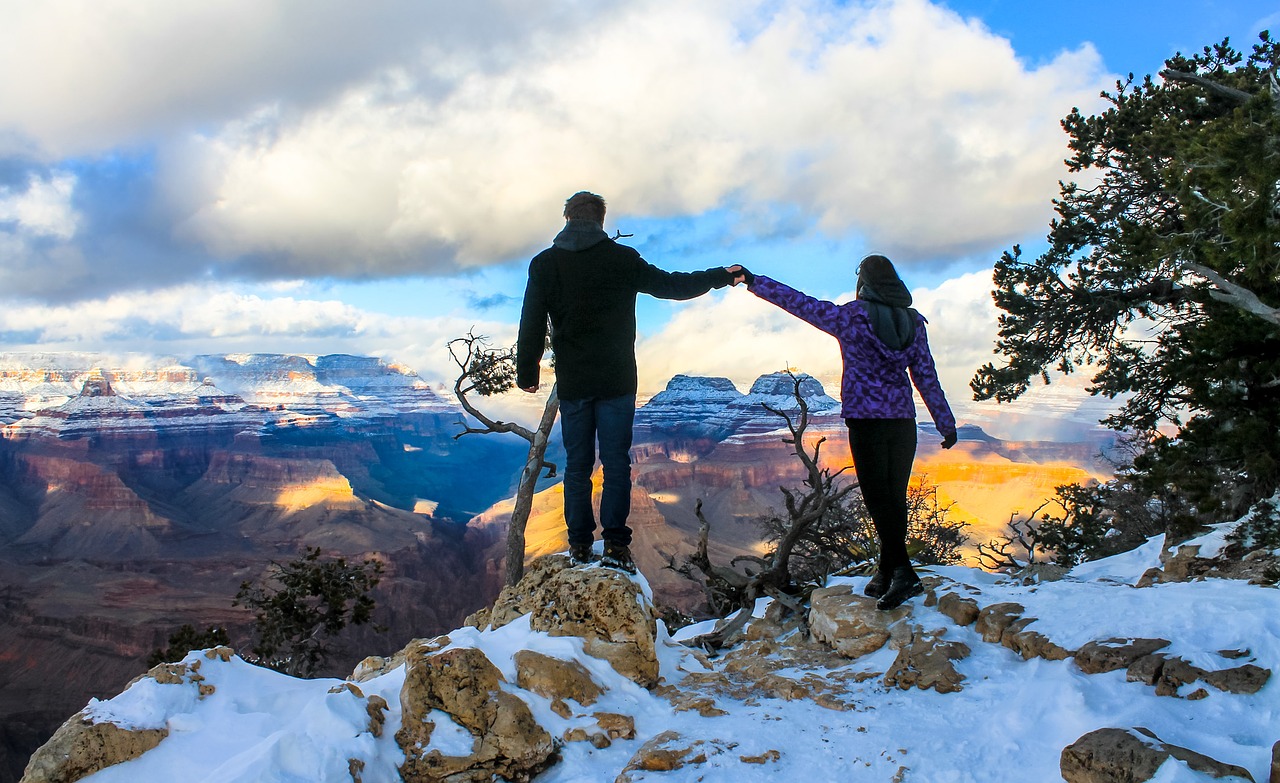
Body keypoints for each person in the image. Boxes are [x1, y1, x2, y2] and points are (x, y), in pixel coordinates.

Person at [517, 191, 737, 574]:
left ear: (567, 218)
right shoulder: (621, 258)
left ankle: (580, 547)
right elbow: (673, 285)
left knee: (577, 466)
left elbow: (531, 321)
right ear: (601, 220)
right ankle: (616, 546)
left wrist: (527, 372)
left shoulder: (545, 264)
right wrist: (721, 276)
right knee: (617, 464)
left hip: (574, 382)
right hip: (617, 379)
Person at [733, 255, 958, 610]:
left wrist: (754, 280)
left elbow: (801, 304)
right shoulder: (913, 322)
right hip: (902, 423)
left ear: (864, 282)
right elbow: (926, 377)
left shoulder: (852, 317)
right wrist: (945, 422)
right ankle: (886, 571)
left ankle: (903, 572)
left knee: (878, 499)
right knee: (893, 497)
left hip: (866, 421)